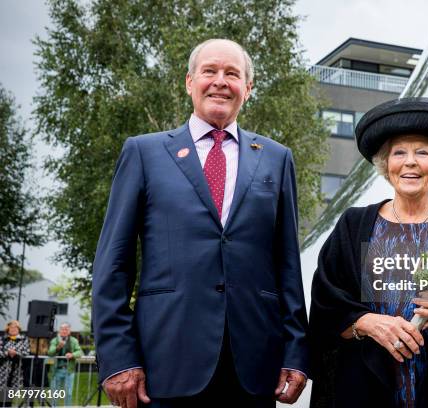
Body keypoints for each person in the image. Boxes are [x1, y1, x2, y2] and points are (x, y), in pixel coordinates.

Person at [92, 38, 309, 408]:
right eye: (210, 71)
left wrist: (295, 352)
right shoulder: (144, 152)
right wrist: (117, 357)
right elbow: (113, 263)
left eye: (232, 74)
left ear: (248, 88)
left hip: (254, 368)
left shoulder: (276, 158)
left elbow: (287, 264)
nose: (220, 81)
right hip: (163, 365)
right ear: (189, 81)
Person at [309, 97, 428, 408]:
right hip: (364, 389)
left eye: (422, 152)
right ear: (386, 165)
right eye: (399, 152)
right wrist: (367, 323)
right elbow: (325, 308)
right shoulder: (354, 224)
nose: (410, 162)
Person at [48, 323, 83, 407]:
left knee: (68, 393)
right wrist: (58, 347)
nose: (64, 331)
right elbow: (50, 352)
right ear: (59, 331)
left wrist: (72, 355)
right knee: (55, 393)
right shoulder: (54, 340)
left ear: (69, 331)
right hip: (56, 370)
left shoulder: (73, 340)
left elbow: (79, 352)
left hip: (69, 370)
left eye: (66, 329)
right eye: (62, 329)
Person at [0, 321, 30, 406]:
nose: (13, 329)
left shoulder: (24, 339)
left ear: (19, 329)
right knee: (2, 391)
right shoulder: (2, 339)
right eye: (11, 327)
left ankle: (8, 405)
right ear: (8, 329)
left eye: (15, 327)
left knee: (10, 392)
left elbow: (26, 352)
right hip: (3, 370)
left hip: (16, 370)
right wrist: (7, 353)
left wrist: (16, 353)